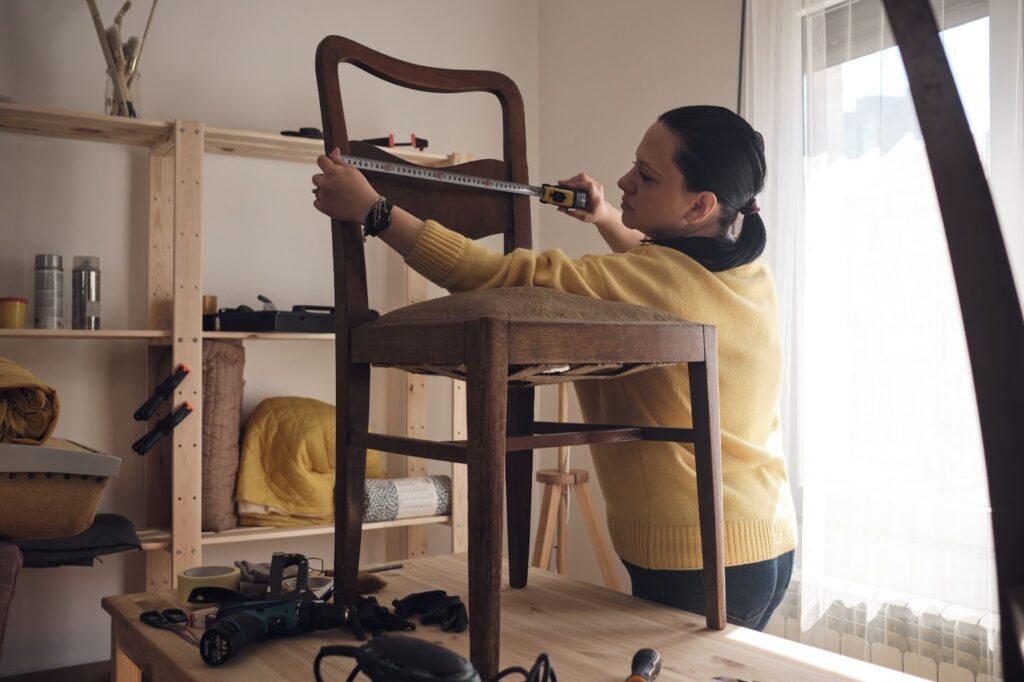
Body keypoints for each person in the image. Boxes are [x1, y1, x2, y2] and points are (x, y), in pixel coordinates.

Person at [311, 105, 797, 631]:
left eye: (647, 176)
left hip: (695, 552)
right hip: (767, 536)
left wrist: (375, 212)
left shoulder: (646, 277)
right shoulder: (745, 267)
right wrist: (608, 217)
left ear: (700, 205)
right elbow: (666, 275)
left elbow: (494, 276)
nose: (624, 179)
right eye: (635, 163)